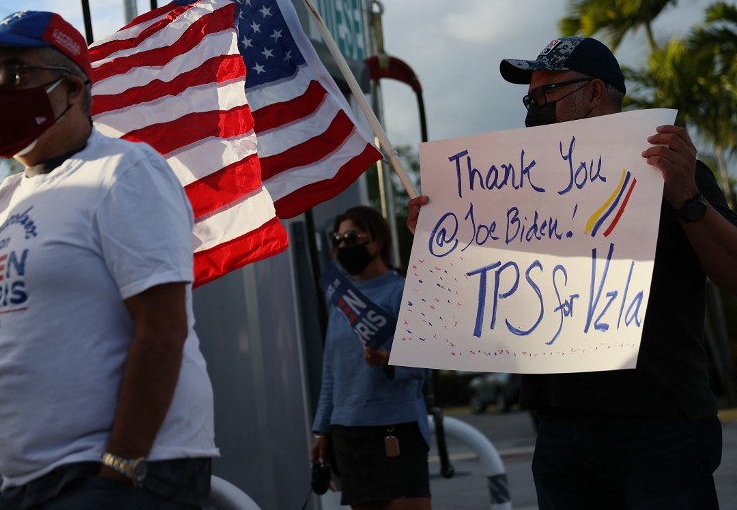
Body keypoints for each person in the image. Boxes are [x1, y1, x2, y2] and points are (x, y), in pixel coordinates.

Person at [0, 10, 217, 509]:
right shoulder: (6, 199)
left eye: (15, 71)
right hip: (28, 485)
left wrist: (121, 466)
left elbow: (163, 329)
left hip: (117, 476)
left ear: (73, 89)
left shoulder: (124, 171)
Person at [407, 35, 737, 509]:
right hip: (560, 426)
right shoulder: (522, 189)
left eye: (546, 94)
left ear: (595, 93)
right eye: (529, 97)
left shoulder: (672, 173)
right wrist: (437, 239)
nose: (532, 107)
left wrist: (688, 198)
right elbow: (490, 289)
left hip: (658, 423)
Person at [311, 206, 432, 510]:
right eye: (337, 239)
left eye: (351, 236)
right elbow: (331, 372)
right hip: (348, 434)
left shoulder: (403, 292)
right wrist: (322, 430)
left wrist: (389, 360)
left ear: (377, 241)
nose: (342, 245)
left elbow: (425, 364)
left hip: (397, 429)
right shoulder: (341, 299)